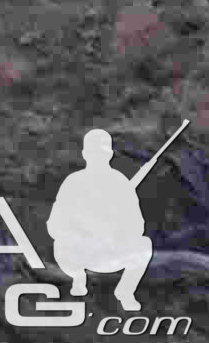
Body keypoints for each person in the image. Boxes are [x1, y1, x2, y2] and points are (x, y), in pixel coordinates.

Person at [48, 128, 156, 311]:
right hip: (79, 253)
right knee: (60, 245)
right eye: (93, 152)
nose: (98, 157)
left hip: (111, 253)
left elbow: (137, 225)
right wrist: (82, 232)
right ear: (85, 154)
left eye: (102, 153)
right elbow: (54, 224)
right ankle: (78, 278)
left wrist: (118, 233)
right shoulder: (73, 182)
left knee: (144, 245)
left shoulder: (120, 183)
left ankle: (125, 291)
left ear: (110, 155)